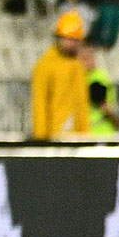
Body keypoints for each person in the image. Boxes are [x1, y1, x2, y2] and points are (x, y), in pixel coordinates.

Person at [31, 10, 92, 141]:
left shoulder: (77, 66)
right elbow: (40, 104)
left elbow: (82, 105)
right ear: (59, 38)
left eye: (76, 40)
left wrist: (86, 136)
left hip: (77, 138)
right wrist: (41, 139)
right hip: (54, 137)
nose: (73, 44)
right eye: (69, 39)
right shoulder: (45, 65)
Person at [80, 44, 119, 136]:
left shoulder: (96, 79)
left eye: (86, 58)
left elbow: (104, 106)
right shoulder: (91, 76)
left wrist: (115, 120)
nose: (82, 62)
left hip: (98, 132)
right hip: (96, 131)